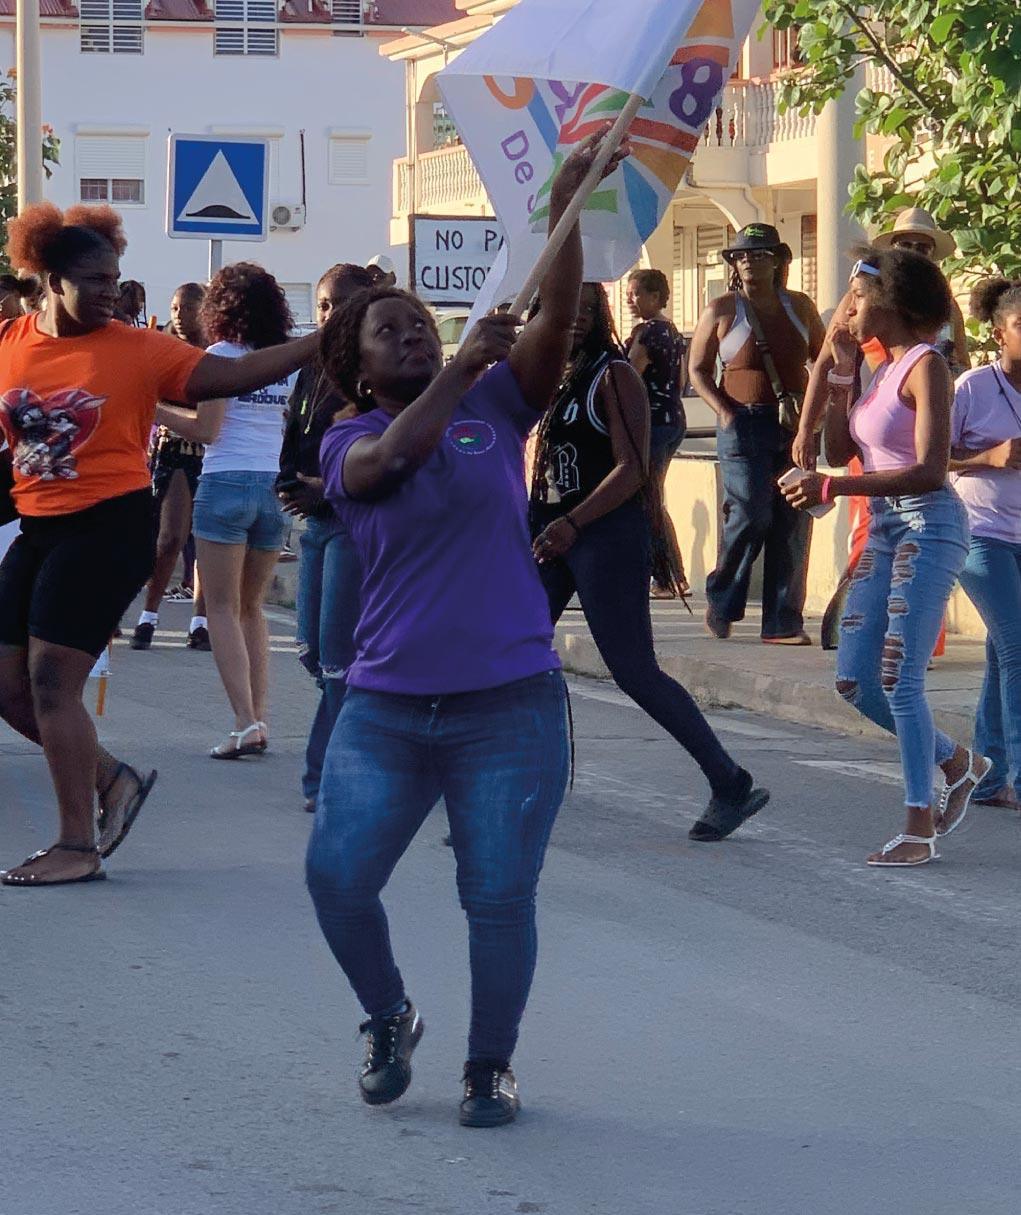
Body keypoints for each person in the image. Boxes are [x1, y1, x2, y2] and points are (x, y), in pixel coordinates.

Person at [306, 130, 625, 1129]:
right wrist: (455, 374)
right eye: (386, 331)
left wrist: (570, 202)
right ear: (356, 367)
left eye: (418, 324)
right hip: (388, 709)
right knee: (337, 879)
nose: (410, 335)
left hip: (508, 704)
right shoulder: (346, 440)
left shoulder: (495, 400)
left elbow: (559, 320)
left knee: (496, 897)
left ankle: (490, 1066)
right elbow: (390, 464)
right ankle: (388, 1015)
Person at [0, 204, 319, 886]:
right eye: (94, 279)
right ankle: (112, 780)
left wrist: (321, 340)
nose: (112, 290)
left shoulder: (138, 348)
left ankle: (77, 845)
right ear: (50, 280)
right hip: (38, 526)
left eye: (117, 276)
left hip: (108, 528)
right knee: (8, 686)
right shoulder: (13, 341)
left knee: (53, 682)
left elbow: (232, 376)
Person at [531, 281, 768, 842]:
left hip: (604, 535)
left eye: (589, 311)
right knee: (506, 648)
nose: (576, 320)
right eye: (566, 309)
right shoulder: (556, 378)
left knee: (634, 670)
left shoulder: (613, 376)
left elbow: (633, 469)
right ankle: (514, 780)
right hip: (555, 534)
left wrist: (572, 524)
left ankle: (728, 780)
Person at [781, 247, 989, 867]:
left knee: (899, 679)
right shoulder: (880, 370)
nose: (848, 309)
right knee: (853, 680)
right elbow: (841, 444)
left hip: (931, 527)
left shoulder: (927, 365)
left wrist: (832, 488)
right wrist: (838, 370)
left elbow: (927, 470)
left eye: (859, 297)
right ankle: (958, 761)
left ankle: (918, 826)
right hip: (889, 532)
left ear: (893, 304)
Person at [157, 264, 297, 760]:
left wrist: (152, 409)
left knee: (218, 607)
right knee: (251, 608)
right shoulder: (285, 361)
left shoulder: (220, 356)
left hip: (224, 484)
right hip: (270, 488)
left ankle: (242, 721)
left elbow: (208, 432)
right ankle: (260, 717)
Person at [689, 223, 825, 644]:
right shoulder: (722, 309)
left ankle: (783, 621)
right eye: (742, 255)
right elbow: (697, 369)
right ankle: (723, 598)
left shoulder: (800, 307)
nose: (749, 261)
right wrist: (725, 413)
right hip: (742, 425)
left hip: (793, 427)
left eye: (760, 254)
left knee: (792, 518)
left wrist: (816, 419)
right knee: (751, 513)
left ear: (780, 261)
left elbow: (822, 362)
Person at [276, 262, 374, 812]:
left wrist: (327, 490)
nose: (331, 314)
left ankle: (330, 777)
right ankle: (386, 737)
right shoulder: (313, 365)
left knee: (339, 659)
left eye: (342, 302)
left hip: (352, 524)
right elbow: (296, 429)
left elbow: (386, 454)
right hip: (313, 524)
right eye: (323, 305)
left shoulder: (376, 370)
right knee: (314, 654)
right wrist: (288, 480)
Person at [948, 279, 1021, 810]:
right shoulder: (973, 387)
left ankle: (988, 776)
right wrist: (990, 457)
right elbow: (929, 458)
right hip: (981, 533)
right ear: (1000, 333)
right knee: (1019, 648)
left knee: (1004, 654)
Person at [131, 282, 211, 652]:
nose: (179, 315)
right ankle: (148, 616)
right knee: (168, 539)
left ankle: (200, 622)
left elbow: (214, 414)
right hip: (173, 452)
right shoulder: (162, 346)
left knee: (209, 541)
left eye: (188, 308)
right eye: (176, 308)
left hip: (210, 452)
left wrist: (179, 415)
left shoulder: (215, 353)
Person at [624, 267, 689, 599]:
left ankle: (666, 577)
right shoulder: (673, 332)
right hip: (673, 419)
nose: (630, 299)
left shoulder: (647, 333)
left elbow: (629, 377)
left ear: (654, 296)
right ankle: (671, 575)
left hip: (652, 423)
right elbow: (678, 382)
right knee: (652, 497)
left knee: (648, 499)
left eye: (636, 293)